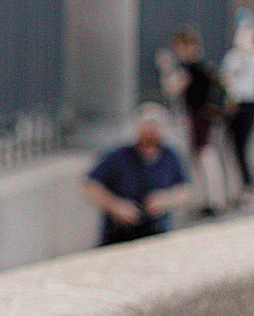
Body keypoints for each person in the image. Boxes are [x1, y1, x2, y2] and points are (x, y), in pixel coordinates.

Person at [81, 105, 196, 245]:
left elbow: (186, 189)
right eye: (146, 127)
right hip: (118, 234)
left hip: (156, 232)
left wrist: (165, 200)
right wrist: (116, 206)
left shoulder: (170, 155)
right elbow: (89, 184)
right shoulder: (118, 155)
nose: (150, 133)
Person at [162, 26, 227, 216]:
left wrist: (167, 70)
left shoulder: (191, 68)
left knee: (205, 156)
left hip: (200, 117)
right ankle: (212, 198)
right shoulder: (204, 66)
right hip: (205, 117)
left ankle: (213, 199)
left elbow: (172, 90)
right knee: (205, 156)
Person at [219, 8, 254, 203]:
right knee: (232, 145)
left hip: (250, 103)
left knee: (242, 145)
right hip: (235, 103)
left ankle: (248, 185)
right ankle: (237, 186)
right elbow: (227, 78)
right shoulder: (233, 56)